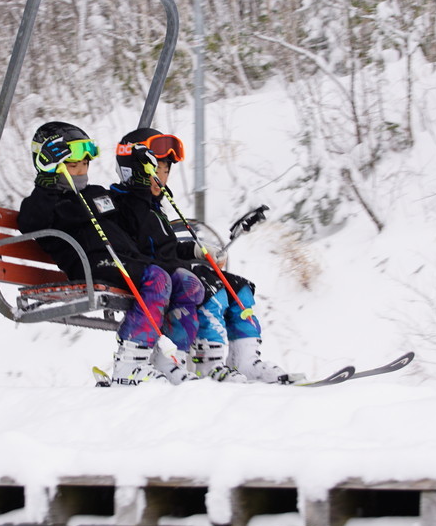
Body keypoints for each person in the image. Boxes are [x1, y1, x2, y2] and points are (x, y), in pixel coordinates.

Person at [16, 121, 204, 385]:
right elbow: (31, 222)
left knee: (188, 283)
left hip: (128, 259)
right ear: (49, 167)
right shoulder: (48, 203)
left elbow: (132, 218)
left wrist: (141, 182)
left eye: (85, 164)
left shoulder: (96, 194)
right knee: (157, 279)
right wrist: (46, 184)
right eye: (73, 166)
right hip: (93, 264)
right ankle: (129, 363)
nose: (81, 171)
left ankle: (172, 360)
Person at [109, 128, 298, 384]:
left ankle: (245, 360)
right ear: (135, 170)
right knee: (209, 287)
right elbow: (140, 252)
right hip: (157, 273)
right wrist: (183, 261)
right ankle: (209, 363)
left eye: (165, 171)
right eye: (155, 170)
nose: (161, 177)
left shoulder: (154, 209)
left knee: (240, 287)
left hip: (172, 268)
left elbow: (169, 247)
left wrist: (198, 250)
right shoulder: (124, 206)